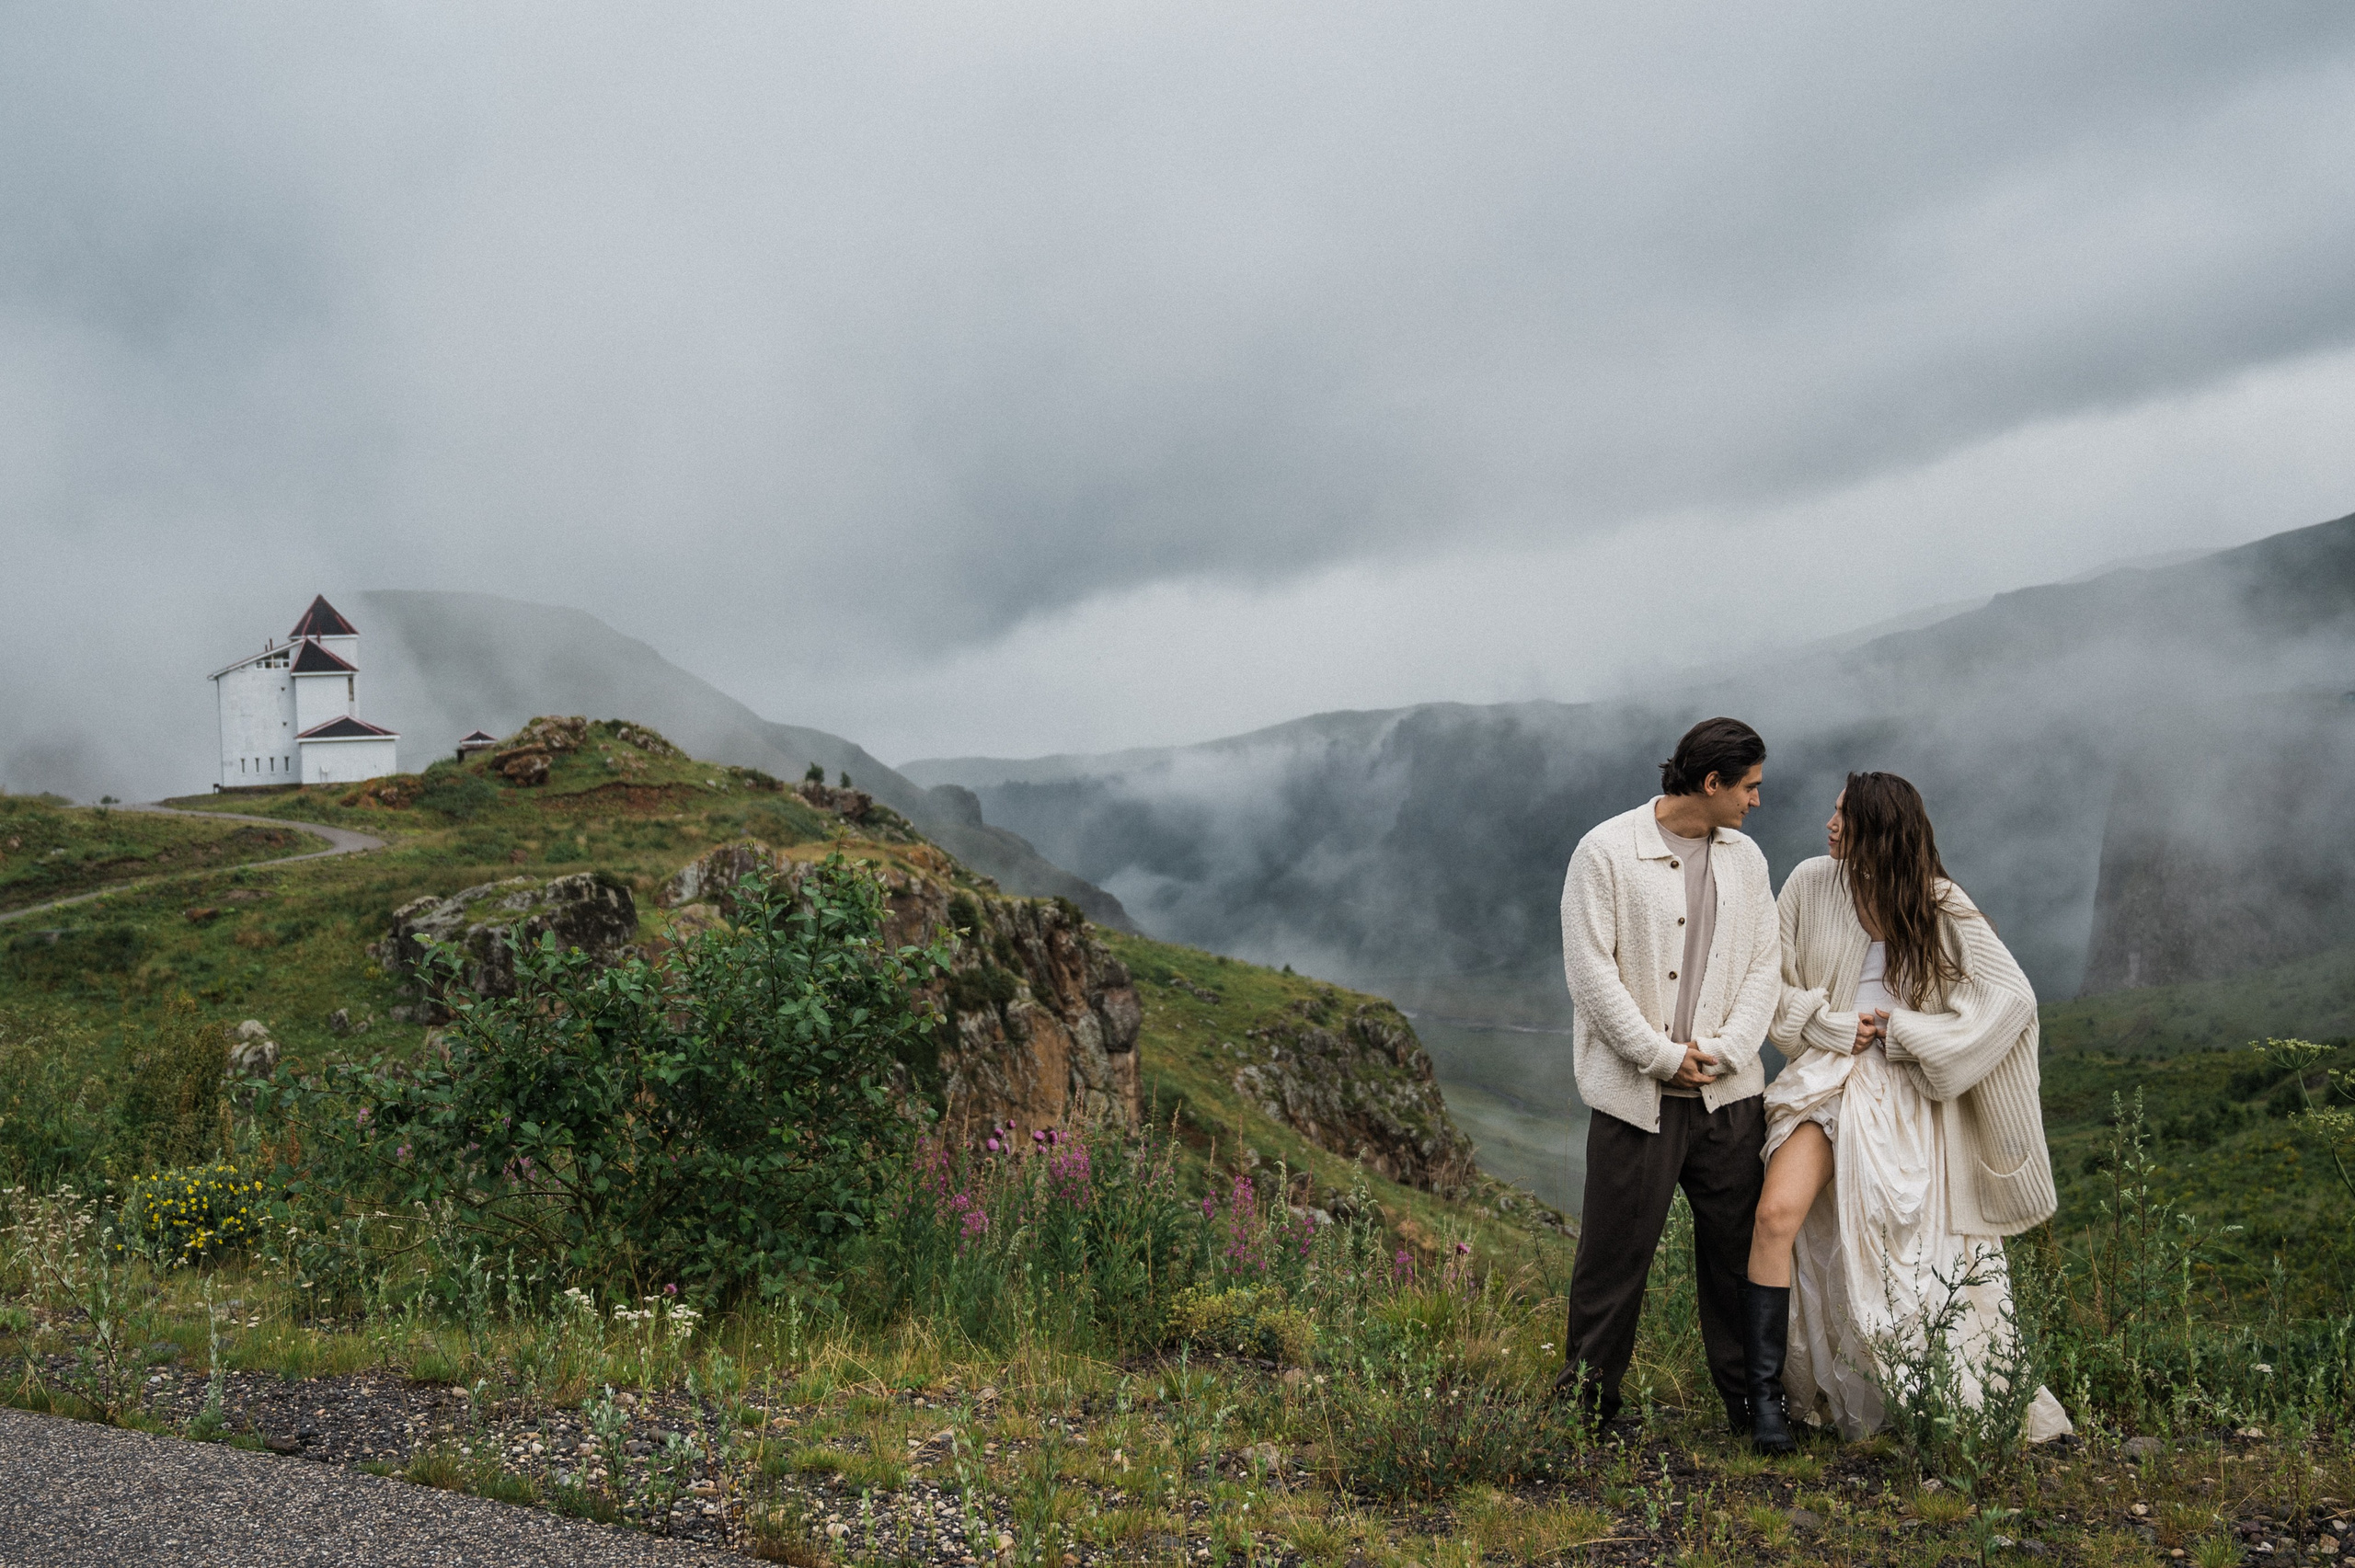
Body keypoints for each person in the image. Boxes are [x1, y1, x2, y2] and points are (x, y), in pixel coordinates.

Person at [1746, 772, 2071, 1451]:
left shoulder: (1938, 902)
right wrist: (1833, 1025)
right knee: (1776, 1215)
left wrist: (1910, 1034)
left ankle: (1917, 1396)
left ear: (1880, 831)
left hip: (1904, 1095)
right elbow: (1768, 986)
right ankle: (1769, 1400)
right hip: (1824, 1076)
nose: (1830, 824)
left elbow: (2011, 998)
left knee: (1903, 1251)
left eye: (1845, 816)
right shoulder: (1809, 882)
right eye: (1833, 811)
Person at [1557, 716, 1782, 1434]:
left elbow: (1765, 966)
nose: (1755, 800)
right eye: (1748, 787)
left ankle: (1753, 1407)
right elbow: (1590, 973)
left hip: (1729, 1098)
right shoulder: (1605, 851)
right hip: (1636, 1099)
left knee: (1737, 1255)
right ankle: (1584, 1410)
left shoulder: (1747, 859)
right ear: (1711, 782)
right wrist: (1660, 1055)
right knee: (1613, 1258)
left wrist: (1728, 1049)